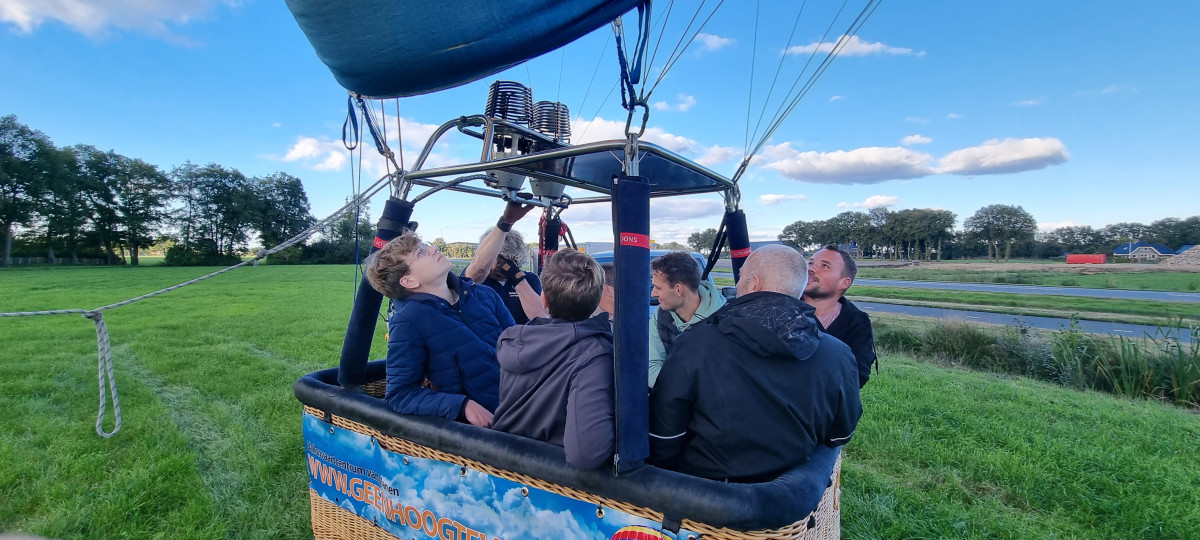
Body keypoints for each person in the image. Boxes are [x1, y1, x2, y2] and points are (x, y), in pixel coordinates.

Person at [648, 245, 862, 483]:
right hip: (793, 494)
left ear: (754, 284)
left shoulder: (694, 345)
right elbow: (840, 435)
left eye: (741, 277)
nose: (738, 284)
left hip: (709, 492)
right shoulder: (839, 355)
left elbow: (664, 437)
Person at [364, 232, 515, 428]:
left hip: (524, 403)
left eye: (426, 246)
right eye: (420, 253)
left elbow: (518, 345)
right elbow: (401, 394)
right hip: (489, 426)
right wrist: (463, 405)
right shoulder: (409, 320)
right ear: (409, 281)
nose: (434, 249)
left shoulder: (484, 294)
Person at [491, 249, 615, 469]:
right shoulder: (595, 355)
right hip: (550, 479)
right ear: (597, 300)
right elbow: (586, 455)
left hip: (500, 467)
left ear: (544, 299)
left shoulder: (513, 340)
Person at [802, 244, 877, 388]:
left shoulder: (857, 322)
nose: (811, 269)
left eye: (825, 266)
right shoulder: (782, 308)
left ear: (844, 282)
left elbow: (858, 376)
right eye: (811, 263)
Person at [647, 251, 726, 387]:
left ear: (678, 289)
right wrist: (684, 392)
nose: (653, 293)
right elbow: (651, 365)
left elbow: (725, 378)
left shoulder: (724, 321)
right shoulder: (660, 315)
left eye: (658, 288)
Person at [463, 201, 545, 324]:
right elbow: (477, 270)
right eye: (498, 260)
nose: (502, 267)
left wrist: (516, 278)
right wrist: (506, 222)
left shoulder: (529, 279)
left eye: (510, 261)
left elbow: (541, 317)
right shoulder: (476, 280)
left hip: (519, 334)